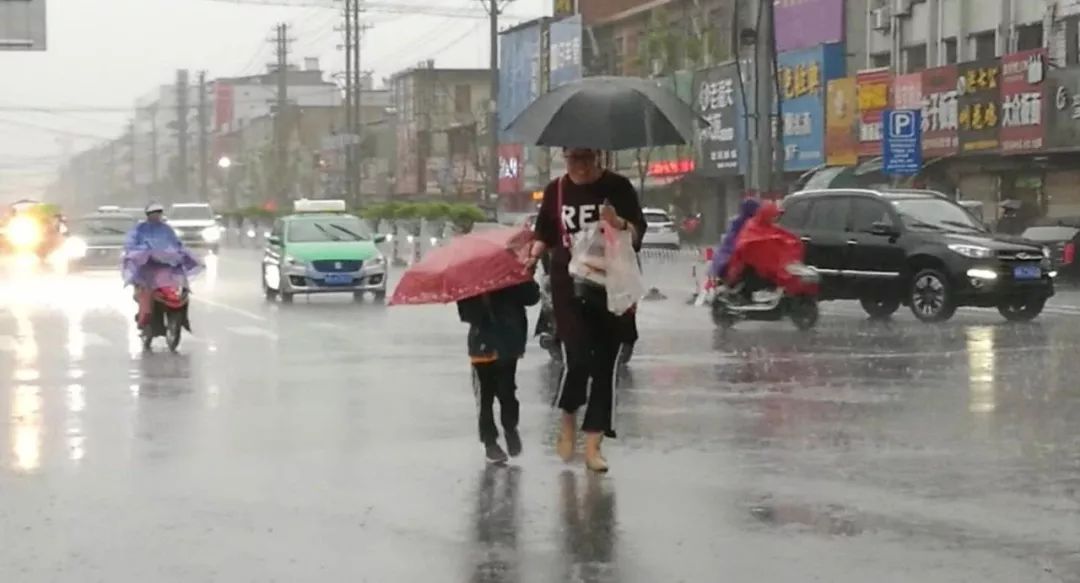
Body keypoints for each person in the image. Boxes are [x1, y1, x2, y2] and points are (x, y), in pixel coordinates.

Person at [527, 147, 647, 473]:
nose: (579, 166)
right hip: (569, 285)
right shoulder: (558, 189)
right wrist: (532, 256)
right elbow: (544, 233)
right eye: (572, 159)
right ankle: (568, 421)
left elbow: (637, 233)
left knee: (606, 366)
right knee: (577, 359)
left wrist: (618, 222)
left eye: (585, 158)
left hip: (612, 284)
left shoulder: (618, 187)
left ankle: (594, 444)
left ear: (598, 157)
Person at [457, 280, 540, 464]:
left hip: (508, 342)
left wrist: (523, 279)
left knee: (507, 391)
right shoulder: (471, 277)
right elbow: (465, 313)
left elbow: (532, 297)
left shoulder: (511, 272)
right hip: (482, 344)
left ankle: (510, 426)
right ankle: (490, 441)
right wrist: (481, 299)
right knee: (485, 398)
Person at [124, 203, 188, 326]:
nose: (156, 216)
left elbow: (176, 243)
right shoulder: (139, 229)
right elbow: (131, 245)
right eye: (154, 214)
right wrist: (142, 252)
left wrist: (178, 253)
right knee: (144, 290)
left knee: (178, 287)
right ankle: (144, 316)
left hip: (165, 264)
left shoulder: (167, 229)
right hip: (146, 266)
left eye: (159, 213)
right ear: (148, 215)